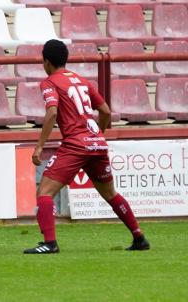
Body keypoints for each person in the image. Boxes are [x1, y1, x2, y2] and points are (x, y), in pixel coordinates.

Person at [24, 39, 150, 254]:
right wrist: (98, 135)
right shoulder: (83, 81)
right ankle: (139, 237)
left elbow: (52, 112)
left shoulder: (50, 82)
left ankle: (50, 243)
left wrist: (39, 147)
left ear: (46, 62)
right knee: (110, 194)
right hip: (97, 143)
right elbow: (106, 111)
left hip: (75, 143)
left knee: (44, 192)